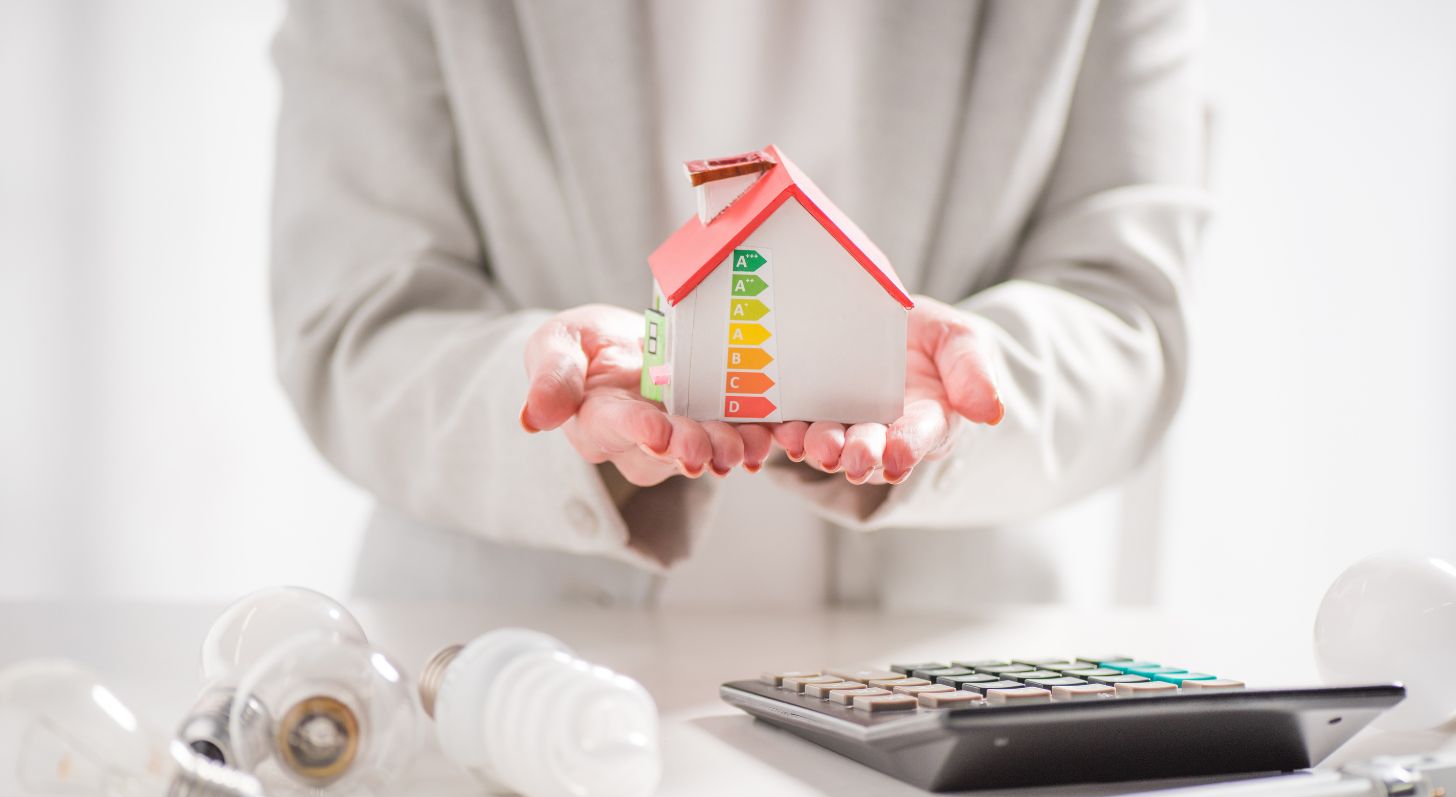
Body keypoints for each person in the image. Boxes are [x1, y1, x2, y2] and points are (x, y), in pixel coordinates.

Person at [270, 0, 1207, 606]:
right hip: (507, 665)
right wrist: (543, 401)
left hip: (939, 664)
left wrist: (969, 385)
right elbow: (355, 318)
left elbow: (1128, 313)